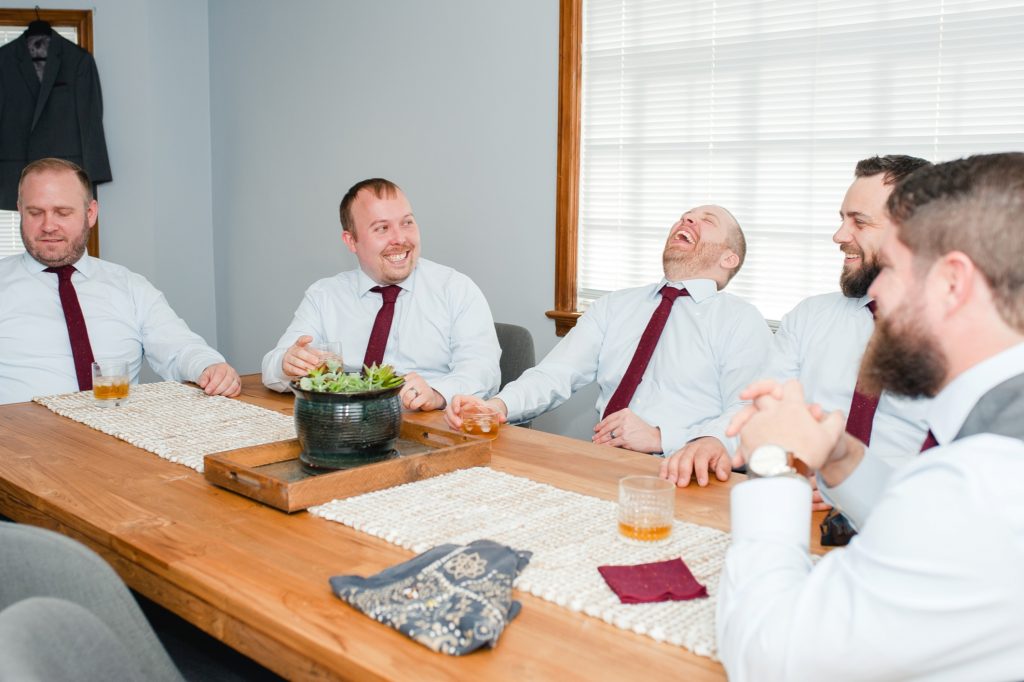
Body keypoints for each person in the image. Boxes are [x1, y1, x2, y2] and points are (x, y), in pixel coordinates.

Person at [717, 153, 1024, 681]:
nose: (875, 292)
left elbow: (772, 656)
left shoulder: (985, 480)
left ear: (952, 283)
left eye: (894, 268)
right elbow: (934, 543)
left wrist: (773, 466)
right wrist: (843, 458)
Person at [661, 155, 933, 491]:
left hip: (901, 508)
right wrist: (714, 441)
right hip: (797, 499)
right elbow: (762, 406)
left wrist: (851, 487)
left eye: (860, 223)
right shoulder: (810, 316)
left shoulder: (960, 334)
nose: (839, 236)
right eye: (842, 220)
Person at [445, 205, 772, 457]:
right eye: (685, 216)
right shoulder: (615, 306)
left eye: (706, 220)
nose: (686, 220)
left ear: (729, 258)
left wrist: (662, 438)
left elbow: (748, 412)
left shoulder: (740, 320)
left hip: (687, 471)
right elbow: (555, 374)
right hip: (604, 461)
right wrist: (498, 406)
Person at [0, 158, 241, 405]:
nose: (48, 226)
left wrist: (209, 367)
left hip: (117, 426)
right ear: (20, 211)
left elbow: (179, 348)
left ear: (90, 213)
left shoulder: (131, 287)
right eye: (35, 213)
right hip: (21, 429)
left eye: (62, 212)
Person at [261, 178, 500, 411]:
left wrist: (436, 393)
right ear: (351, 241)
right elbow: (271, 369)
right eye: (382, 228)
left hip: (427, 423)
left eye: (407, 223)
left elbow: (483, 371)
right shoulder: (324, 296)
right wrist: (287, 364)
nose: (400, 239)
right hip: (344, 424)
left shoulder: (455, 289)